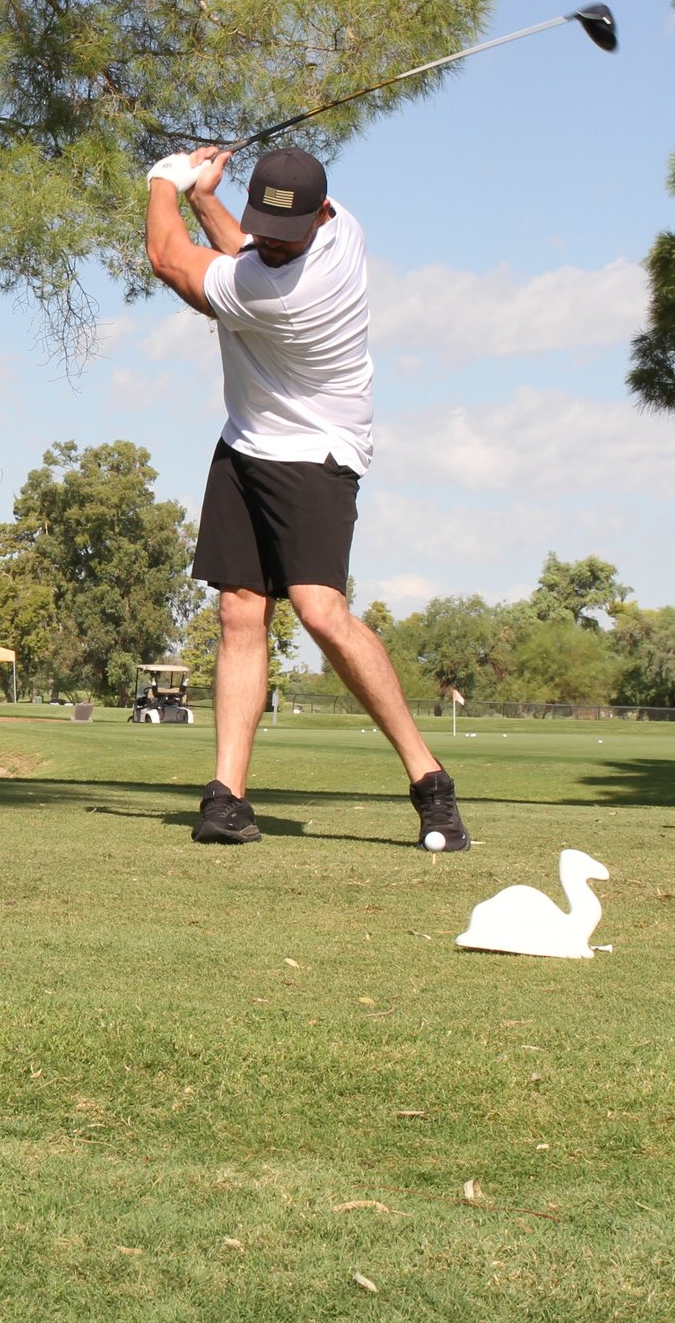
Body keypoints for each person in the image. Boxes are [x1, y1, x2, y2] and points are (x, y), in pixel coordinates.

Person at [143, 144, 469, 851]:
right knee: (238, 612)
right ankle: (226, 797)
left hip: (317, 452)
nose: (270, 242)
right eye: (264, 227)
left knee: (322, 612)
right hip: (247, 443)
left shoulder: (286, 291)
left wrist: (166, 182)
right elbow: (249, 251)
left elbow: (173, 260)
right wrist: (208, 199)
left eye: (285, 233)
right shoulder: (338, 229)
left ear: (322, 217)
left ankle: (429, 781)